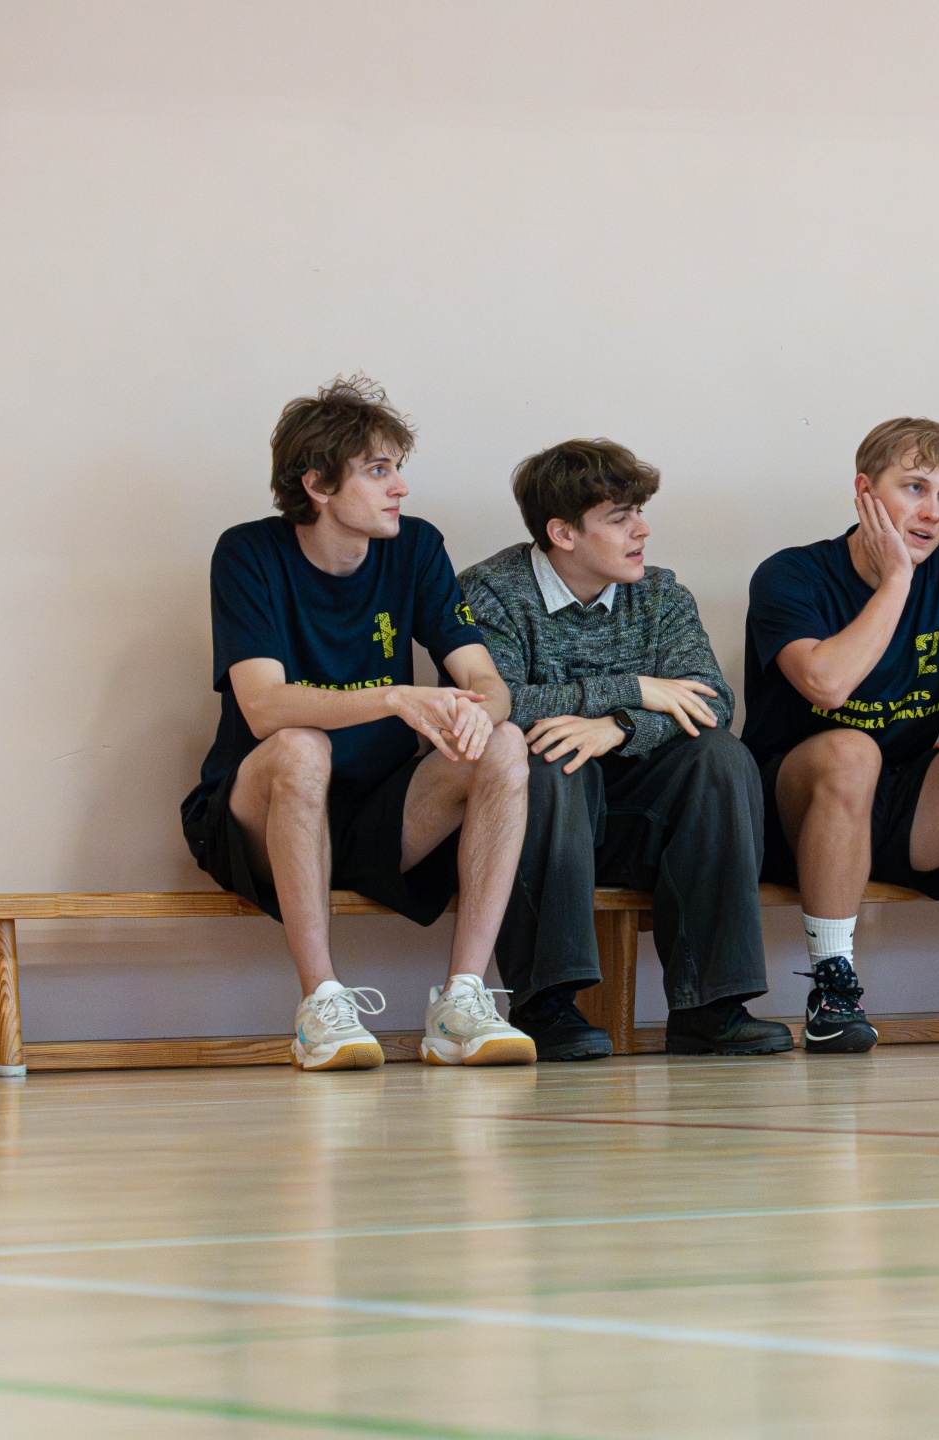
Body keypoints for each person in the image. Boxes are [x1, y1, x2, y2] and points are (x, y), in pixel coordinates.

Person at [181, 376, 535, 1071]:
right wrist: (396, 698)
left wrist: (477, 717)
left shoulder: (417, 547)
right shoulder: (247, 553)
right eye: (377, 471)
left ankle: (462, 1002)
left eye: (397, 468)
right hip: (259, 819)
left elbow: (487, 683)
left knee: (505, 742)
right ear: (316, 485)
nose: (399, 487)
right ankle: (320, 1005)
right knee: (300, 749)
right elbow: (263, 706)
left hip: (377, 820)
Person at [459, 439, 793, 1060]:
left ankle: (710, 1008)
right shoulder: (490, 591)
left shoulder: (661, 593)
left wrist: (617, 727)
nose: (642, 529)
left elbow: (712, 700)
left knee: (721, 757)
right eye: (619, 518)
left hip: (644, 815)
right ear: (563, 532)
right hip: (544, 817)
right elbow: (493, 704)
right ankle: (545, 1005)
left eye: (638, 512)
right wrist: (635, 689)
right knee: (550, 757)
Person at [741, 417, 939, 1052]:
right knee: (851, 749)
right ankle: (832, 990)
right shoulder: (789, 572)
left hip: (901, 807)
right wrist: (896, 581)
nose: (932, 511)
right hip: (795, 811)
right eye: (914, 487)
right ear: (864, 491)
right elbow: (826, 684)